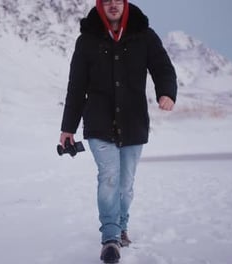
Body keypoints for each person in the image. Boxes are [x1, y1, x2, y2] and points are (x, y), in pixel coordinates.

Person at [59, 0, 177, 262]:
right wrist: (67, 128)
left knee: (125, 184)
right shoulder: (87, 40)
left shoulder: (144, 35)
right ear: (100, 4)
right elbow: (76, 87)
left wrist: (167, 92)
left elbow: (163, 68)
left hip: (134, 123)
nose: (112, 4)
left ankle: (122, 226)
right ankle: (110, 238)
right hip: (98, 123)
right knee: (109, 177)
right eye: (106, 0)